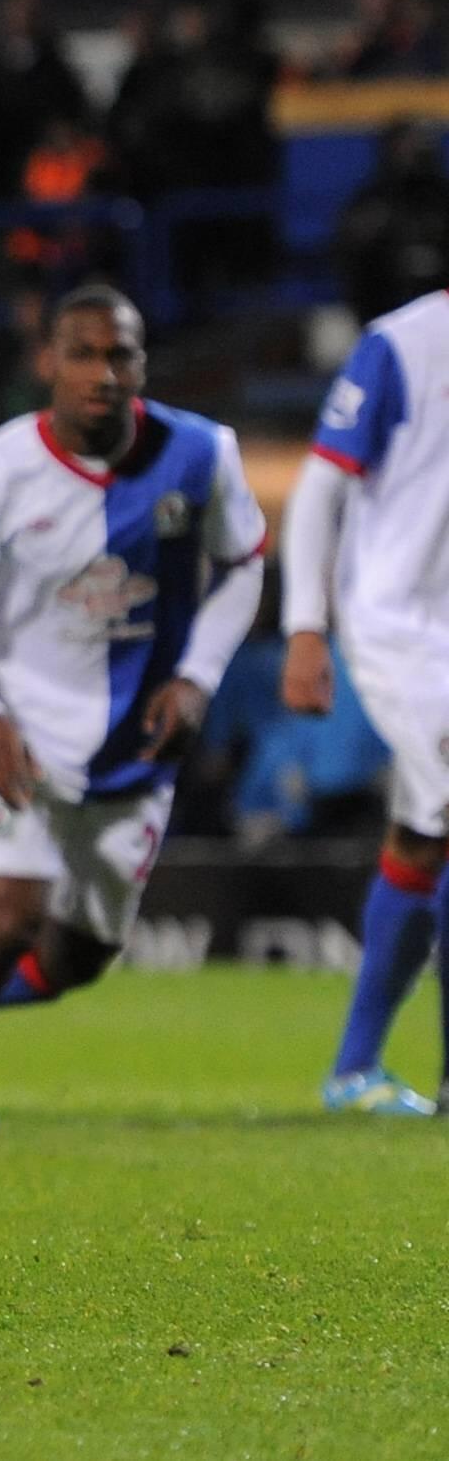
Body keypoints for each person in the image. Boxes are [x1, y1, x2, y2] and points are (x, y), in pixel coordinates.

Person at [0, 284, 265, 1131]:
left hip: (137, 749)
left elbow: (244, 564)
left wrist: (199, 677)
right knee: (5, 918)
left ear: (143, 363)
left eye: (121, 355)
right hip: (20, 735)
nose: (103, 373)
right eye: (83, 354)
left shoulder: (202, 454)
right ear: (48, 364)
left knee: (79, 961)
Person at [279, 287, 449, 1115]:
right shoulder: (404, 344)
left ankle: (353, 1070)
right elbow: (319, 488)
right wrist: (306, 625)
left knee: (424, 840)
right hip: (406, 629)